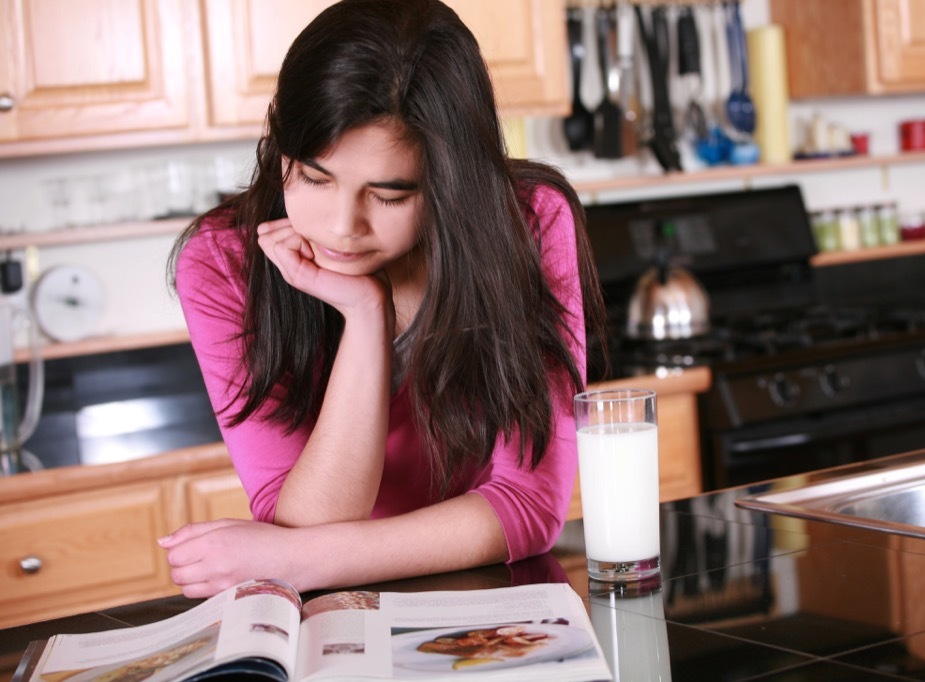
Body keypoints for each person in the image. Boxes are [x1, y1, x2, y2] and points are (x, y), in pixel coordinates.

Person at [159, 0, 606, 598]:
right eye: (315, 179)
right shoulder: (223, 263)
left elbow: (529, 508)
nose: (343, 226)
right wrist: (364, 315)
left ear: (450, 180)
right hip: (341, 615)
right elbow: (306, 525)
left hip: (488, 603)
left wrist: (293, 559)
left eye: (390, 195)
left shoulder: (528, 224)